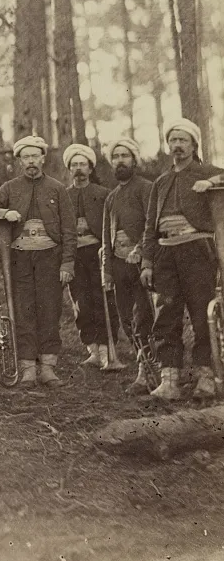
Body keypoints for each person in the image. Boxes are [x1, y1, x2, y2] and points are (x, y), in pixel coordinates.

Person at [0, 135, 76, 388]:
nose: (31, 161)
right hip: (20, 259)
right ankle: (28, 368)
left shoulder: (57, 188)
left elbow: (69, 231)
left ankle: (48, 369)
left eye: (35, 156)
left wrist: (66, 264)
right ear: (19, 161)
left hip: (50, 258)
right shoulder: (9, 188)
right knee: (24, 310)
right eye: (26, 157)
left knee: (50, 310)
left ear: (43, 158)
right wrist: (3, 212)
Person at [141, 118, 224, 400]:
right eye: (173, 140)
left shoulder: (207, 171)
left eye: (183, 140)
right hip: (165, 253)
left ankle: (206, 377)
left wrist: (211, 181)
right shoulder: (161, 182)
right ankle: (170, 380)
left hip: (196, 251)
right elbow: (149, 226)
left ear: (194, 145)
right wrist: (147, 262)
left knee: (202, 314)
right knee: (166, 315)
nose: (177, 145)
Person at [101, 138, 156, 394]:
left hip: (141, 264)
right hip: (119, 264)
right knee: (125, 320)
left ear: (134, 160)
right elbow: (106, 236)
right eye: (116, 156)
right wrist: (107, 270)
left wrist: (141, 252)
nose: (120, 160)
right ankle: (144, 364)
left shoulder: (146, 188)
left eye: (125, 156)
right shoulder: (111, 197)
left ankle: (150, 372)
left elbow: (151, 224)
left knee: (143, 316)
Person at [62, 143, 112, 368]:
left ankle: (106, 348)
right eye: (74, 165)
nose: (78, 169)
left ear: (90, 168)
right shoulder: (63, 196)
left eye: (82, 164)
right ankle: (92, 349)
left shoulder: (102, 194)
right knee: (81, 301)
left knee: (102, 299)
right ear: (69, 169)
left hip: (98, 252)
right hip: (74, 254)